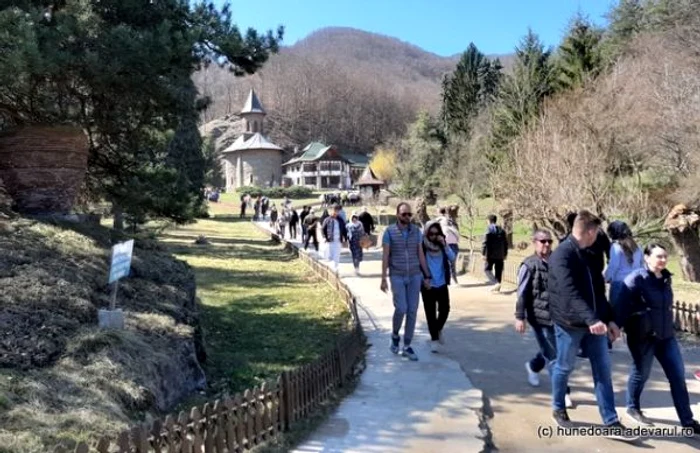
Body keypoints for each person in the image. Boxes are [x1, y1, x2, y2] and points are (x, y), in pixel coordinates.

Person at [548, 210, 636, 440]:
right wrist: (591, 319)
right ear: (589, 231)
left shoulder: (593, 252)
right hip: (570, 324)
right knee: (564, 367)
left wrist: (609, 319)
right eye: (597, 231)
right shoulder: (561, 255)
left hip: (596, 322)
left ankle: (611, 421)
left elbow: (598, 289)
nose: (599, 236)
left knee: (603, 370)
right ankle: (558, 406)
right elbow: (570, 293)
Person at [614, 244, 700, 434]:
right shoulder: (635, 279)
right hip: (642, 337)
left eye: (665, 256)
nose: (662, 260)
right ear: (647, 258)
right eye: (658, 256)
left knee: (678, 377)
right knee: (641, 373)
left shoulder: (666, 278)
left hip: (666, 336)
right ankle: (633, 406)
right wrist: (615, 327)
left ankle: (687, 421)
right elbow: (621, 306)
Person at [515, 229, 573, 408]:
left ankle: (533, 366)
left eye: (549, 241)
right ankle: (563, 393)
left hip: (559, 316)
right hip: (539, 317)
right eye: (542, 241)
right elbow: (522, 293)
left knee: (557, 351)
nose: (547, 245)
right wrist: (520, 316)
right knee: (556, 356)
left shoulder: (558, 262)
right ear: (535, 242)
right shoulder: (529, 265)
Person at [380, 202, 431, 361]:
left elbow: (420, 254)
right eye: (404, 214)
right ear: (397, 215)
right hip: (397, 275)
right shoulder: (389, 232)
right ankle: (395, 335)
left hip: (415, 275)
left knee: (412, 310)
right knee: (401, 308)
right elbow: (386, 256)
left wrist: (427, 275)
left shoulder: (416, 232)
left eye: (410, 214)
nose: (407, 217)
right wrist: (383, 278)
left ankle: (407, 345)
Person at [421, 221, 456, 353]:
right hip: (428, 284)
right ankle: (434, 338)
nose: (434, 236)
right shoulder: (422, 245)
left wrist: (445, 244)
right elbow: (418, 263)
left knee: (445, 309)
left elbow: (452, 258)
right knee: (430, 313)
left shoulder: (442, 245)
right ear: (426, 233)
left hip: (442, 283)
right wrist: (423, 278)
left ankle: (438, 328)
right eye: (431, 233)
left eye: (437, 234)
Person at [604, 220, 643, 307]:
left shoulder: (616, 247)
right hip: (636, 284)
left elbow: (613, 266)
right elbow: (642, 265)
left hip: (620, 284)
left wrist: (606, 278)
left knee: (617, 313)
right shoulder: (638, 247)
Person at [482, 214, 508, 292]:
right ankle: (497, 289)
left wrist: (483, 253)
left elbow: (485, 242)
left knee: (487, 269)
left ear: (489, 221)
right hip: (500, 254)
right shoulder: (502, 230)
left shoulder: (488, 229)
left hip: (490, 254)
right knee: (498, 271)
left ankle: (495, 283)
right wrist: (505, 253)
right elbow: (506, 243)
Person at [437, 207, 461, 284]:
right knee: (452, 263)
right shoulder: (453, 222)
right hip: (453, 244)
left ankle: (449, 279)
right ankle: (453, 279)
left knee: (445, 263)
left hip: (445, 244)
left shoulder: (440, 221)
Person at [321, 204, 348, 273]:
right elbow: (323, 229)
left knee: (337, 255)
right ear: (331, 210)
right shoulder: (327, 219)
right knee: (330, 256)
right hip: (330, 240)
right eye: (334, 210)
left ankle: (335, 269)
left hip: (338, 241)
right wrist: (324, 237)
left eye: (337, 210)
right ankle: (330, 269)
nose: (336, 212)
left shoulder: (340, 220)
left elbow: (344, 230)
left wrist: (345, 239)